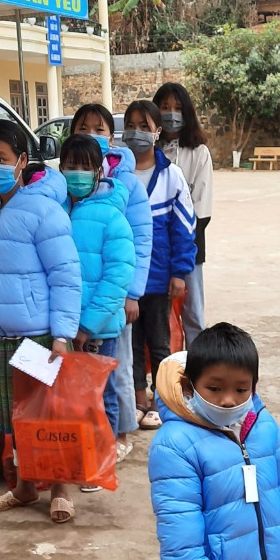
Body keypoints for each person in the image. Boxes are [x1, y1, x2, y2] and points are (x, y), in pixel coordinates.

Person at [0, 120, 82, 523]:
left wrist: (62, 335)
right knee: (13, 419)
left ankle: (60, 488)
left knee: (46, 418)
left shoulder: (44, 211)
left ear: (21, 162)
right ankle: (26, 487)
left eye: (0, 159)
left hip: (36, 336)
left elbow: (65, 274)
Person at [148, 324, 280, 560]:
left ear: (254, 387)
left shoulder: (262, 424)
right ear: (190, 385)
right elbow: (178, 522)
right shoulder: (176, 443)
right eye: (215, 388)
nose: (229, 400)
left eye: (241, 389)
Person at [71, 103, 153, 462]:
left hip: (113, 296)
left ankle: (118, 436)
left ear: (111, 136)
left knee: (115, 368)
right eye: (83, 128)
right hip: (77, 300)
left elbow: (140, 238)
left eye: (99, 129)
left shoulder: (125, 184)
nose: (91, 135)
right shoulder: (66, 180)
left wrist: (133, 292)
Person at [59, 133, 136, 491]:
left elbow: (116, 280)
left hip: (98, 329)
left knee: (101, 397)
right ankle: (79, 457)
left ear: (98, 171)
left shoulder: (112, 218)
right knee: (72, 400)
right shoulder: (58, 211)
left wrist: (88, 325)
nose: (76, 173)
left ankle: (99, 463)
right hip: (63, 326)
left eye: (84, 167)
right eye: (69, 166)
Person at [123, 100, 196, 431]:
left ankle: (161, 399)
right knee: (132, 343)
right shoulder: (116, 175)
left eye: (144, 126)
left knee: (161, 341)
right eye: (131, 125)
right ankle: (138, 399)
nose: (137, 133)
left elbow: (184, 229)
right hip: (125, 280)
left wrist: (180, 272)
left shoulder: (172, 175)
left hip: (160, 278)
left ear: (157, 131)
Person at [153, 82, 213, 346]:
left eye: (177, 108)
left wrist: (181, 250)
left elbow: (202, 209)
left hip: (189, 247)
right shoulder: (147, 153)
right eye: (164, 107)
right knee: (156, 316)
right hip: (153, 248)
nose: (171, 114)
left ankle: (196, 374)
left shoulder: (199, 153)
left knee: (193, 316)